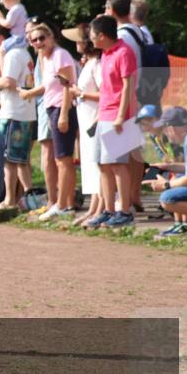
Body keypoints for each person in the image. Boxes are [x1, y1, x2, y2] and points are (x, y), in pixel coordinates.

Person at [84, 15, 138, 229]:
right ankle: (108, 210)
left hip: (118, 116)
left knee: (118, 164)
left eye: (92, 35)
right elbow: (107, 88)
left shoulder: (124, 52)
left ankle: (124, 210)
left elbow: (127, 86)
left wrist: (121, 116)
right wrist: (99, 115)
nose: (90, 39)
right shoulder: (106, 54)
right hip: (104, 114)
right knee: (102, 164)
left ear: (102, 36)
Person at [21, 23, 79, 221]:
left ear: (51, 37)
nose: (38, 42)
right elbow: (47, 86)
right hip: (51, 108)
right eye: (34, 40)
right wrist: (28, 93)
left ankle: (62, 205)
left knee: (63, 159)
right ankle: (65, 204)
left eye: (42, 38)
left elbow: (67, 85)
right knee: (60, 159)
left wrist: (63, 114)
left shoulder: (60, 55)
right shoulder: (45, 58)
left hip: (61, 108)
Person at [0, 23, 36, 210]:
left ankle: (11, 199)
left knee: (9, 159)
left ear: (1, 38)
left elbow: (8, 82)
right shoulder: (24, 53)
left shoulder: (13, 55)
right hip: (24, 111)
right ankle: (29, 198)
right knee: (21, 159)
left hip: (14, 113)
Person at [106, 0, 147, 212]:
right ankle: (135, 195)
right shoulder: (141, 32)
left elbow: (124, 71)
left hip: (128, 98)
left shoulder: (121, 36)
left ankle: (126, 201)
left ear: (112, 10)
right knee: (136, 150)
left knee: (124, 152)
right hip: (144, 94)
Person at [63, 24, 104, 227]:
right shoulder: (89, 63)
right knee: (90, 165)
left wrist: (81, 93)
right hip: (86, 117)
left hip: (94, 119)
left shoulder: (97, 64)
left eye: (79, 40)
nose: (76, 43)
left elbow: (105, 93)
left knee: (97, 165)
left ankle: (100, 209)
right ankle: (93, 209)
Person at [145, 107, 187, 237]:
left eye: (165, 129)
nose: (166, 134)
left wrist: (166, 185)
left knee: (168, 198)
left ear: (172, 128)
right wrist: (168, 166)